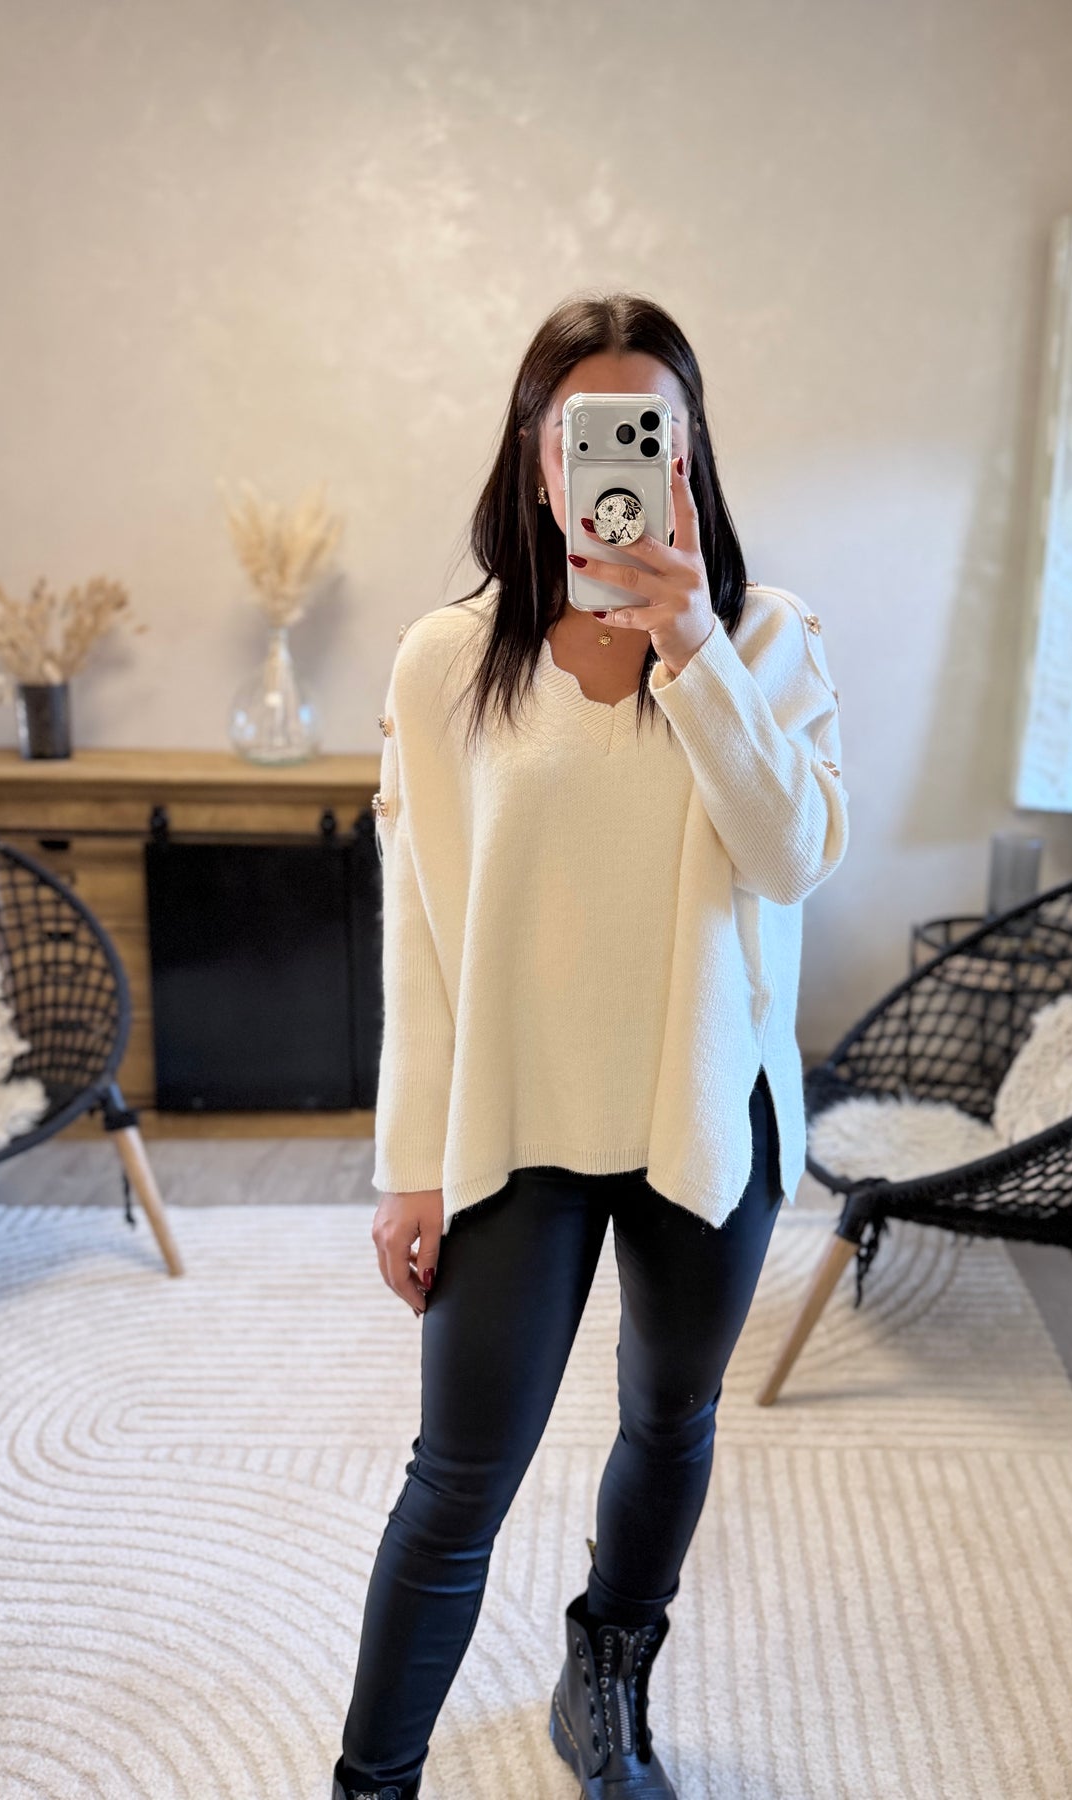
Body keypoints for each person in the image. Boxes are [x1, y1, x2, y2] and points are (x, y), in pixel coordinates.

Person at [332, 291, 849, 1800]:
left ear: (687, 455)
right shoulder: (446, 661)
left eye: (649, 432)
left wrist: (691, 645)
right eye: (586, 432)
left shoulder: (767, 637)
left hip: (706, 1109)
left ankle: (604, 1675)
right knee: (457, 1480)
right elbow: (421, 931)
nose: (615, 463)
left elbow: (790, 859)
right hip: (515, 1120)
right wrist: (408, 1164)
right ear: (537, 453)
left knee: (670, 1420)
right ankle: (371, 1782)